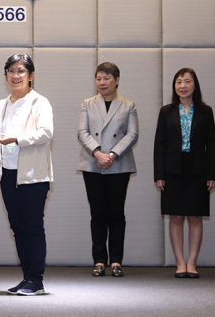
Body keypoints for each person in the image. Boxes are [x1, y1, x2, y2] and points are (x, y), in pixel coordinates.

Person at [0, 53, 53, 296]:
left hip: (32, 175)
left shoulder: (40, 102)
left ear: (31, 75)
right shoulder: (2, 104)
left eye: (21, 71)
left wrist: (15, 139)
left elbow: (46, 132)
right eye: (11, 70)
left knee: (32, 227)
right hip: (8, 173)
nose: (15, 75)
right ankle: (27, 277)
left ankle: (37, 280)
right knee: (18, 228)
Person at [154, 68, 215, 278]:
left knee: (195, 216)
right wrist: (159, 174)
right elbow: (159, 145)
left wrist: (212, 174)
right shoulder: (166, 111)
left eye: (187, 81)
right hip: (172, 168)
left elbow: (212, 144)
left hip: (198, 168)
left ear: (195, 85)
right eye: (179, 82)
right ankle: (180, 263)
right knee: (176, 216)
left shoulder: (206, 111)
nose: (183, 85)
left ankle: (192, 263)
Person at [77, 62, 138, 278]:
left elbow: (132, 135)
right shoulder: (87, 103)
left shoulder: (129, 105)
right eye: (98, 78)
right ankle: (99, 260)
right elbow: (82, 132)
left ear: (117, 80)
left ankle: (117, 261)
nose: (102, 82)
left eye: (107, 78)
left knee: (116, 214)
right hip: (93, 164)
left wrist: (111, 155)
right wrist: (98, 153)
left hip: (118, 164)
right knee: (98, 213)